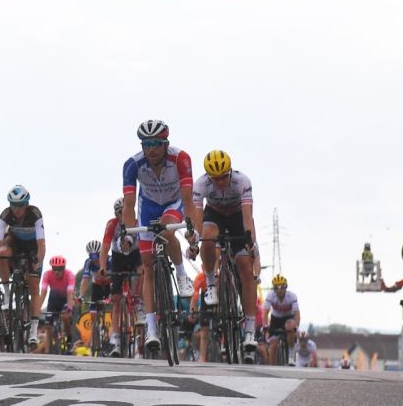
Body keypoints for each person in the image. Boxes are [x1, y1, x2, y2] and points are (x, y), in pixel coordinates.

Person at [121, 119, 194, 357]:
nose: (151, 149)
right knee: (148, 268)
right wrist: (128, 234)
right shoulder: (132, 164)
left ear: (165, 144)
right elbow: (129, 205)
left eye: (155, 144)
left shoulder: (180, 158)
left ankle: (182, 274)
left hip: (174, 203)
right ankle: (152, 329)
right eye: (146, 144)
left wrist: (191, 228)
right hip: (148, 207)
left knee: (165, 230)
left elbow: (188, 198)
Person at [189, 149, 260, 356]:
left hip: (238, 217)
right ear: (208, 177)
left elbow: (247, 218)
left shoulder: (242, 182)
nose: (220, 182)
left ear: (230, 172)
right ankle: (211, 283)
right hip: (215, 215)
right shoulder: (200, 185)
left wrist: (251, 243)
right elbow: (198, 219)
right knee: (207, 237)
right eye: (215, 179)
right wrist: (195, 242)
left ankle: (250, 330)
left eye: (223, 177)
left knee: (245, 269)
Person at [0, 184, 45, 348]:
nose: (16, 209)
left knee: (34, 285)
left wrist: (39, 261)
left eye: (20, 205)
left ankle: (33, 331)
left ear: (27, 204)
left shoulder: (35, 214)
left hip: (32, 246)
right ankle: (7, 295)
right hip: (15, 242)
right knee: (2, 253)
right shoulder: (6, 214)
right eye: (13, 205)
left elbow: (41, 244)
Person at [100, 196, 142, 357]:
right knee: (116, 299)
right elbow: (105, 248)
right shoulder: (112, 224)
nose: (122, 215)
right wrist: (103, 267)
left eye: (124, 211)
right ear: (115, 214)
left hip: (135, 254)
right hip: (118, 257)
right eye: (119, 212)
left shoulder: (137, 222)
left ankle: (138, 301)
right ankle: (116, 339)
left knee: (143, 271)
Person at [38, 255, 75, 354]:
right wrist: (38, 307)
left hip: (66, 298)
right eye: (54, 269)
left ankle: (69, 339)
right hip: (53, 299)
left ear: (64, 268)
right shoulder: (47, 274)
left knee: (65, 317)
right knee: (48, 325)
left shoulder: (69, 275)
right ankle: (49, 349)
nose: (57, 272)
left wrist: (70, 309)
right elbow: (43, 292)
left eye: (60, 269)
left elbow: (70, 293)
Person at [263, 273, 301, 365]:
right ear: (274, 289)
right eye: (277, 287)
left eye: (282, 287)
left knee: (290, 328)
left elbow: (297, 314)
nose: (279, 290)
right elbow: (265, 313)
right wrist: (265, 327)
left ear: (285, 287)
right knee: (273, 345)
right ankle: (272, 367)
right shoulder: (270, 296)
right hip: (275, 319)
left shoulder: (292, 296)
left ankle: (291, 356)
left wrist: (295, 327)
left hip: (288, 317)